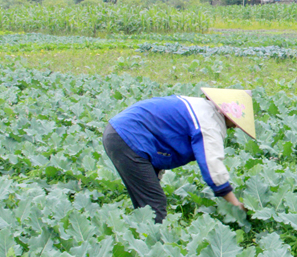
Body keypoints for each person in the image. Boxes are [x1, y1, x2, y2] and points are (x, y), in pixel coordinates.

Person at [102, 88, 256, 223]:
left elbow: (162, 140)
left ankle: (140, 239)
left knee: (146, 206)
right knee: (154, 205)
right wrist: (235, 204)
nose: (235, 126)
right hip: (128, 138)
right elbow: (211, 166)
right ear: (227, 112)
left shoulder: (200, 108)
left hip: (121, 134)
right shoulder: (209, 122)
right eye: (236, 120)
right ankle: (154, 249)